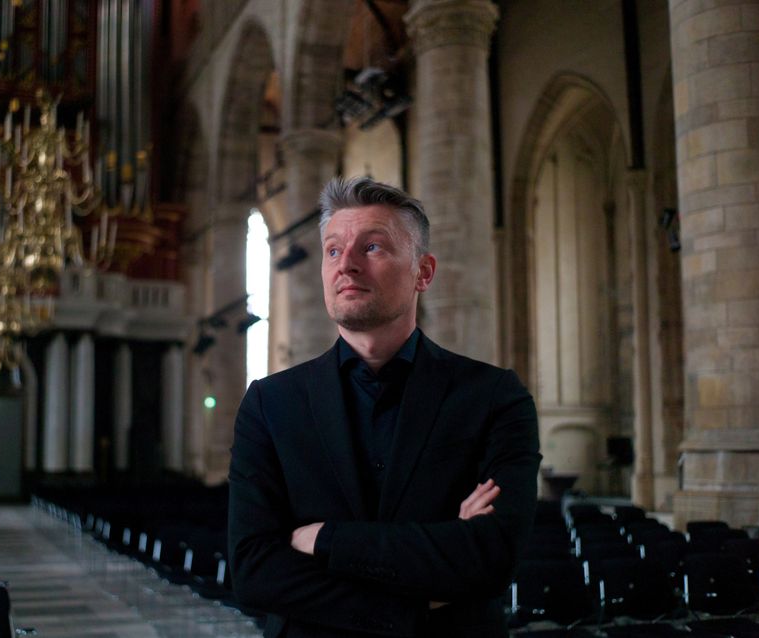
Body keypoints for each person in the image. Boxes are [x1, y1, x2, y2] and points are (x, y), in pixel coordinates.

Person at [228, 176, 542, 637]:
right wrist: (412, 603)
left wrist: (323, 538)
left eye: (372, 248)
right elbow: (254, 571)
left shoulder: (495, 397)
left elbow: (492, 559)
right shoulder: (269, 403)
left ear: (424, 272)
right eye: (333, 250)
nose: (346, 265)